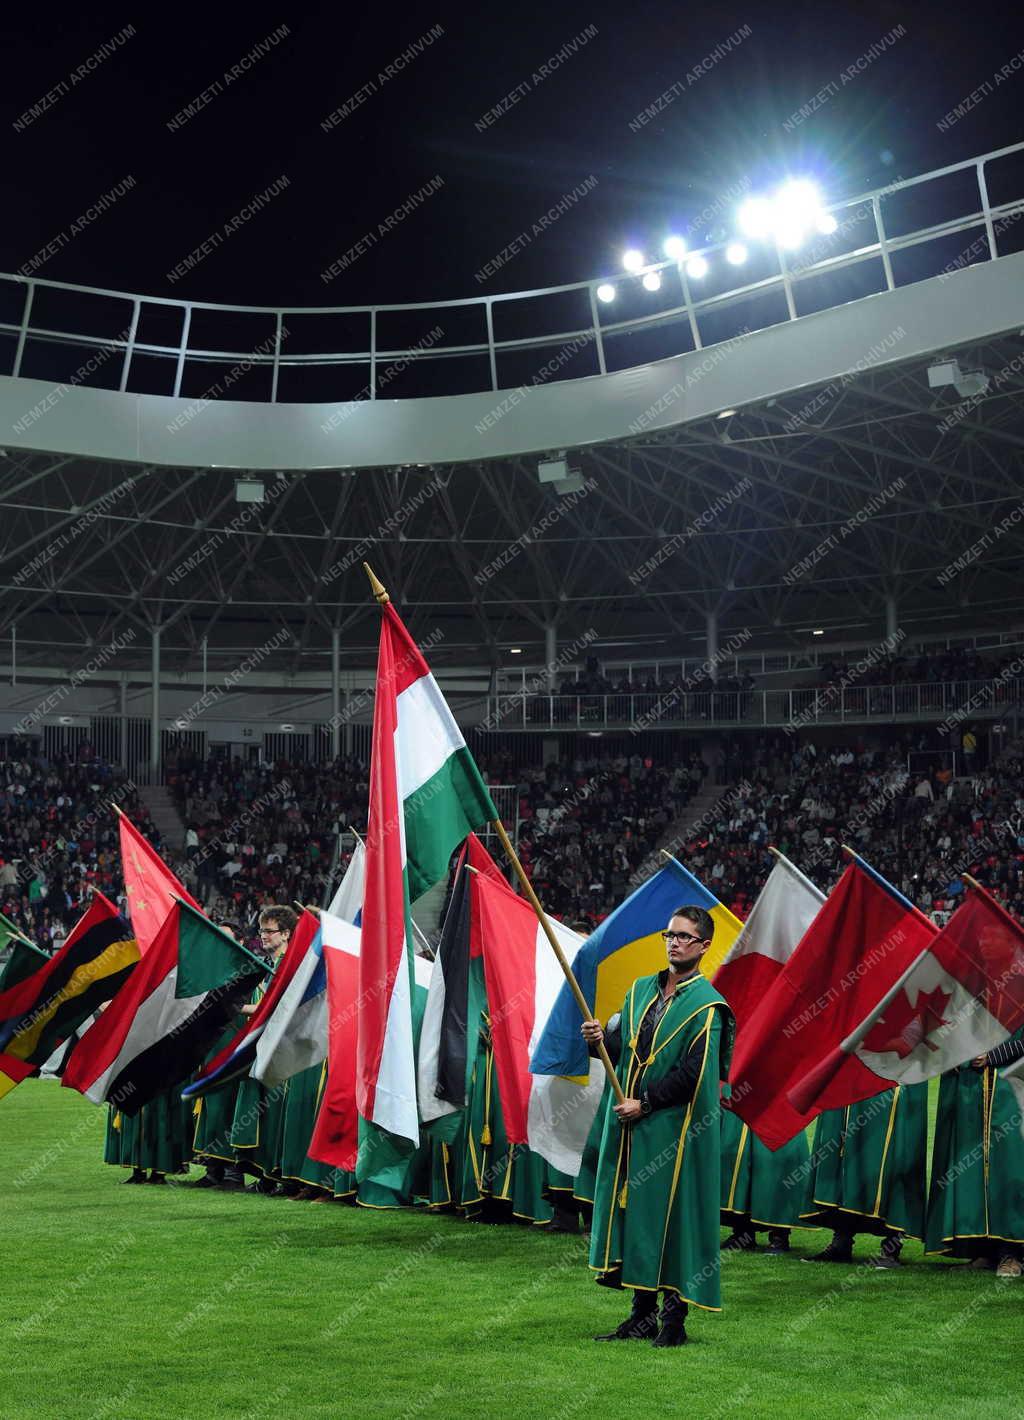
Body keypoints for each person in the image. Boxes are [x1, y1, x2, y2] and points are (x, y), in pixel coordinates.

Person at [581, 905, 734, 1347]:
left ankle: (674, 1321)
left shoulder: (708, 1007)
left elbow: (694, 1073)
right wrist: (597, 1041)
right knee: (639, 1218)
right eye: (670, 934)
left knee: (675, 1219)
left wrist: (644, 1104)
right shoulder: (640, 990)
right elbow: (622, 1048)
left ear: (704, 946)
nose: (674, 942)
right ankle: (641, 1314)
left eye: (685, 936)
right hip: (634, 1128)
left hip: (675, 1131)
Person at [925, 1028, 1024, 1276]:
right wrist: (952, 1053)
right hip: (971, 1085)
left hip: (1011, 1082)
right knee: (973, 1169)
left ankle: (1012, 1251)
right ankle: (985, 1249)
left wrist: (996, 1054)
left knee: (1010, 1166)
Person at [800, 1084, 928, 1268]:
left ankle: (891, 1248)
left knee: (891, 1158)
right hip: (855, 1072)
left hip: (896, 1072)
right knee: (847, 1158)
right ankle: (841, 1241)